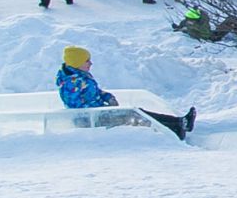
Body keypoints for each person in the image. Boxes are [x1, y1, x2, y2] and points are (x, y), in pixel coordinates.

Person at [56, 46, 196, 140]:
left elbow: (95, 92)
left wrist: (107, 97)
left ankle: (179, 122)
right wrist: (103, 109)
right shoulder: (71, 83)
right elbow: (78, 108)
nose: (90, 63)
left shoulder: (81, 76)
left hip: (99, 113)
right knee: (134, 116)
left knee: (137, 112)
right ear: (77, 62)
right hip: (89, 120)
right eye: (87, 61)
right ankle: (175, 129)